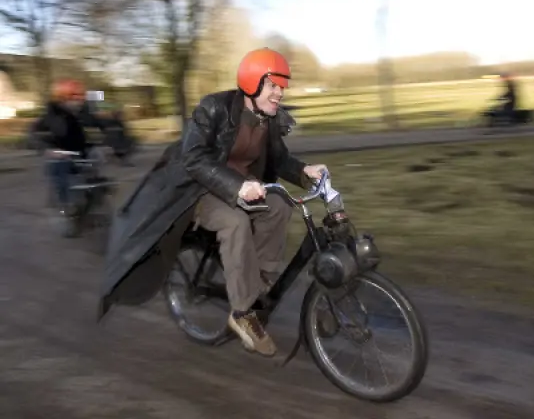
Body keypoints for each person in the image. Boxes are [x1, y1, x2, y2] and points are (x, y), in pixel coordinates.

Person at [96, 48, 349, 358]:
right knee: (236, 221)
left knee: (280, 207)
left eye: (282, 86)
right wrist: (237, 185)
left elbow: (279, 158)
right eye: (273, 85)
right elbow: (193, 158)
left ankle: (259, 284)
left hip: (244, 188)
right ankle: (243, 314)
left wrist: (303, 171)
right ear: (252, 83)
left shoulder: (266, 119)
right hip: (198, 191)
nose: (279, 93)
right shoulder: (213, 108)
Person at [30, 79, 105, 212]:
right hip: (60, 154)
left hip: (82, 151)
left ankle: (94, 200)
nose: (78, 99)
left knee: (95, 166)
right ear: (62, 97)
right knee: (60, 171)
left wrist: (108, 136)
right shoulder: (51, 114)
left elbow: (100, 124)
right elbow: (34, 133)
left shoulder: (84, 112)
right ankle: (65, 205)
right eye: (73, 96)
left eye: (80, 95)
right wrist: (48, 149)